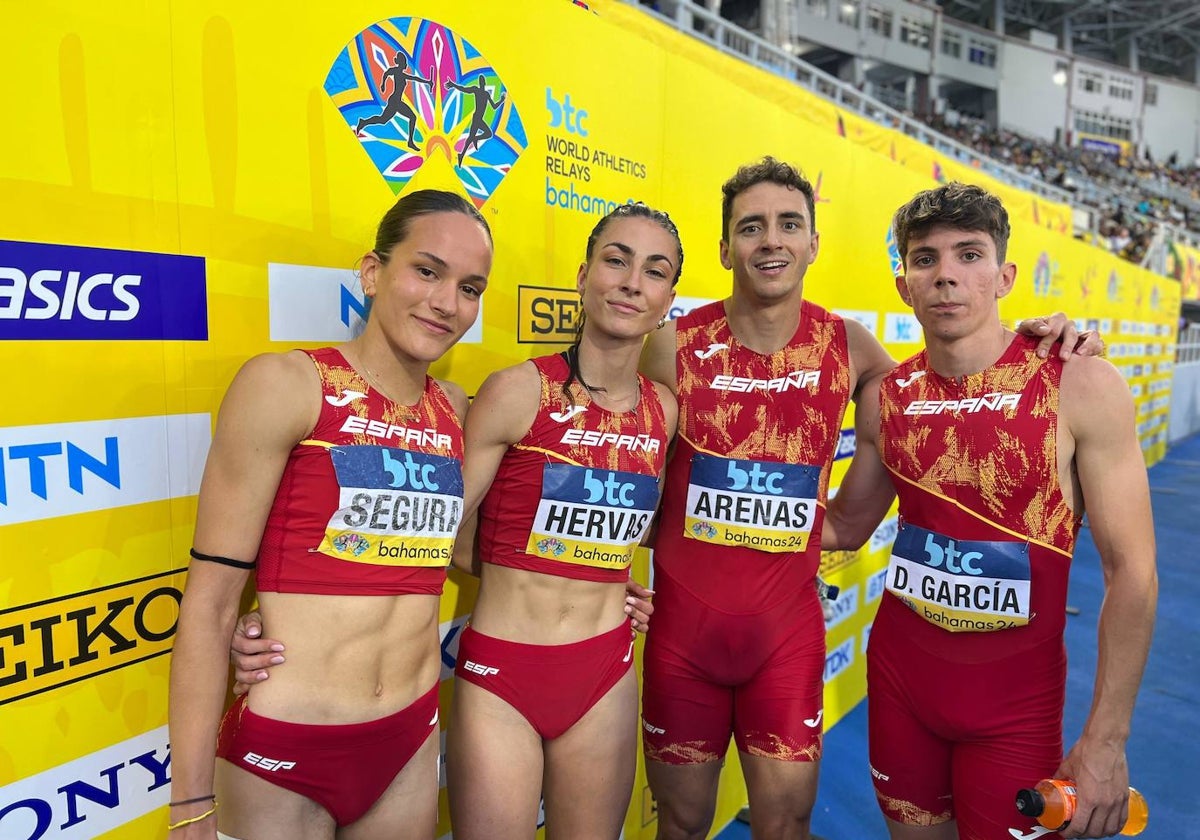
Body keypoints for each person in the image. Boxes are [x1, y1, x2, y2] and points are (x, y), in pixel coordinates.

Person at [636, 157, 1096, 840]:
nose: (771, 240)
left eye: (789, 223)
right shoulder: (670, 344)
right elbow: (620, 455)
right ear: (725, 246)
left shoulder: (849, 347)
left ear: (813, 244)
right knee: (678, 820)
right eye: (751, 227)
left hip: (784, 643)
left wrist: (1045, 337)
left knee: (786, 822)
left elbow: (950, 379)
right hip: (681, 639)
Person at [824, 182, 1157, 840]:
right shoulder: (887, 399)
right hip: (900, 688)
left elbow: (1134, 574)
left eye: (968, 255)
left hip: (1016, 710)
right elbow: (843, 526)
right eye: (926, 260)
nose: (946, 274)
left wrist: (1106, 743)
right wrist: (715, 493)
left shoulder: (1079, 383)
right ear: (904, 286)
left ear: (1005, 276)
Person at [166, 189, 492, 840]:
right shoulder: (287, 385)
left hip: (409, 739)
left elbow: (473, 549)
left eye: (469, 286)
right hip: (286, 748)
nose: (445, 301)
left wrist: (598, 581)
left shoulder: (458, 410)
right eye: (426, 270)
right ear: (373, 272)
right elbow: (210, 603)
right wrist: (189, 805)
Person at [446, 202, 682, 838]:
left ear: (667, 301)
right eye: (616, 260)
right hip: (503, 674)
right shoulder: (516, 391)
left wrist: (609, 581)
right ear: (582, 277)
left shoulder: (664, 411)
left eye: (654, 271)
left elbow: (632, 531)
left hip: (604, 673)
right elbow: (434, 538)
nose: (632, 281)